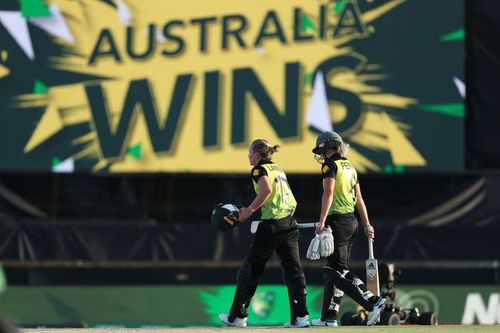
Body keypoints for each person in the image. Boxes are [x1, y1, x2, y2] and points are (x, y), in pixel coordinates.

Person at [219, 139, 310, 328]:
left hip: (272, 225)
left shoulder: (259, 169)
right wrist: (283, 219)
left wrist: (250, 210)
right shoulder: (278, 169)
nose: (248, 156)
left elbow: (266, 190)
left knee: (249, 271)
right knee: (294, 273)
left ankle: (237, 317)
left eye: (250, 152)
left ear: (258, 155)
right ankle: (301, 318)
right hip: (289, 224)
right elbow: (293, 203)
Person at [310, 131, 386, 327]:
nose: (320, 153)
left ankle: (373, 301)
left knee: (336, 270)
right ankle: (328, 317)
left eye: (322, 149)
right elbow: (359, 199)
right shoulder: (349, 166)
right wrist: (367, 224)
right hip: (351, 222)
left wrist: (321, 221)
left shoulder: (330, 165)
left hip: (337, 222)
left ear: (328, 147)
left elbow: (328, 193)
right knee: (333, 270)